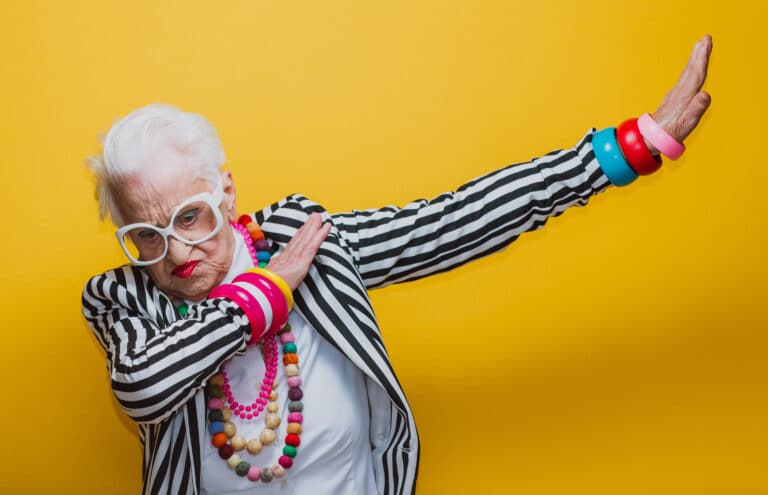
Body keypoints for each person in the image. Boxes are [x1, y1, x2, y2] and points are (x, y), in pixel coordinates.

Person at [81, 35, 713, 495]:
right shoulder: (122, 299)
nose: (178, 252)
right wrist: (266, 293)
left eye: (190, 217)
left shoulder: (307, 245)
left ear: (226, 193)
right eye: (147, 234)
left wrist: (633, 147)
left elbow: (450, 223)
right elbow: (142, 388)